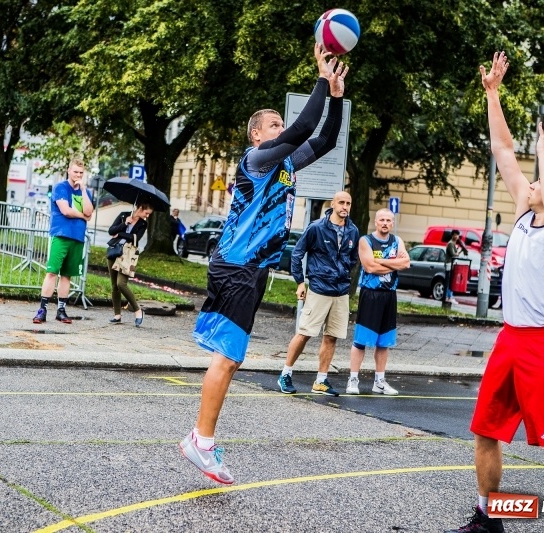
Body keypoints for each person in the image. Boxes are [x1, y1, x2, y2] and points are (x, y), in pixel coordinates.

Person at [179, 43, 349, 485]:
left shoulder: (286, 166)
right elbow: (302, 129)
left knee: (229, 358)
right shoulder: (256, 161)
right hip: (237, 265)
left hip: (246, 268)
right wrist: (320, 77)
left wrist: (336, 96)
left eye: (280, 121)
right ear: (257, 135)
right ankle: (201, 441)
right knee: (228, 357)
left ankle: (202, 439)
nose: (282, 127)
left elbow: (324, 138)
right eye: (274, 123)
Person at [444, 52, 544, 533]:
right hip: (512, 338)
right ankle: (490, 519)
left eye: (534, 183)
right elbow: (503, 150)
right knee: (486, 430)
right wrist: (492, 93)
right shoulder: (525, 216)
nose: (521, 186)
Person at [277, 191, 359, 396]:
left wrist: (345, 270)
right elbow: (297, 254)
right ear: (333, 204)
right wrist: (300, 282)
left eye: (348, 203)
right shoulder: (317, 228)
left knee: (332, 337)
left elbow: (354, 257)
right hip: (319, 288)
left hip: (341, 291)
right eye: (341, 202)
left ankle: (321, 380)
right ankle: (285, 374)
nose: (345, 207)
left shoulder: (353, 230)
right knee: (304, 332)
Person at [346, 208, 410, 396]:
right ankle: (353, 379)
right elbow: (369, 267)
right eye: (381, 219)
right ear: (376, 222)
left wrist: (381, 262)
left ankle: (379, 382)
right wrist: (393, 262)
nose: (385, 223)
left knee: (384, 342)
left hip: (389, 295)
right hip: (370, 294)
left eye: (388, 220)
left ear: (392, 223)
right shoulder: (366, 241)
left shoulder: (397, 241)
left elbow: (406, 263)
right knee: (361, 341)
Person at [32, 159, 94, 324]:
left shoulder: (85, 191)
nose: (78, 175)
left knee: (67, 276)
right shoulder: (60, 187)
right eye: (75, 172)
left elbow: (90, 211)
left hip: (77, 237)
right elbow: (66, 211)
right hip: (60, 234)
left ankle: (61, 310)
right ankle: (42, 309)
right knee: (52, 272)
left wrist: (83, 189)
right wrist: (83, 216)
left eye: (81, 173)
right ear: (69, 171)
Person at [107, 203, 153, 326]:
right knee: (114, 286)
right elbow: (111, 231)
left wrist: (120, 233)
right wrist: (124, 224)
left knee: (121, 283)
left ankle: (138, 310)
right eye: (146, 213)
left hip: (128, 256)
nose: (147, 216)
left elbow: (136, 239)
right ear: (140, 208)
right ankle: (117, 315)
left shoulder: (143, 224)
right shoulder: (123, 215)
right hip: (114, 251)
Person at [444, 229, 468, 304]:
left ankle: (449, 296)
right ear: (452, 235)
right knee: (449, 281)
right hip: (448, 264)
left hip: (451, 264)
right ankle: (448, 297)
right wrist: (460, 251)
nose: (456, 236)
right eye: (455, 235)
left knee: (451, 281)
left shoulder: (453, 244)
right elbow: (453, 254)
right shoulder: (451, 243)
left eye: (457, 235)